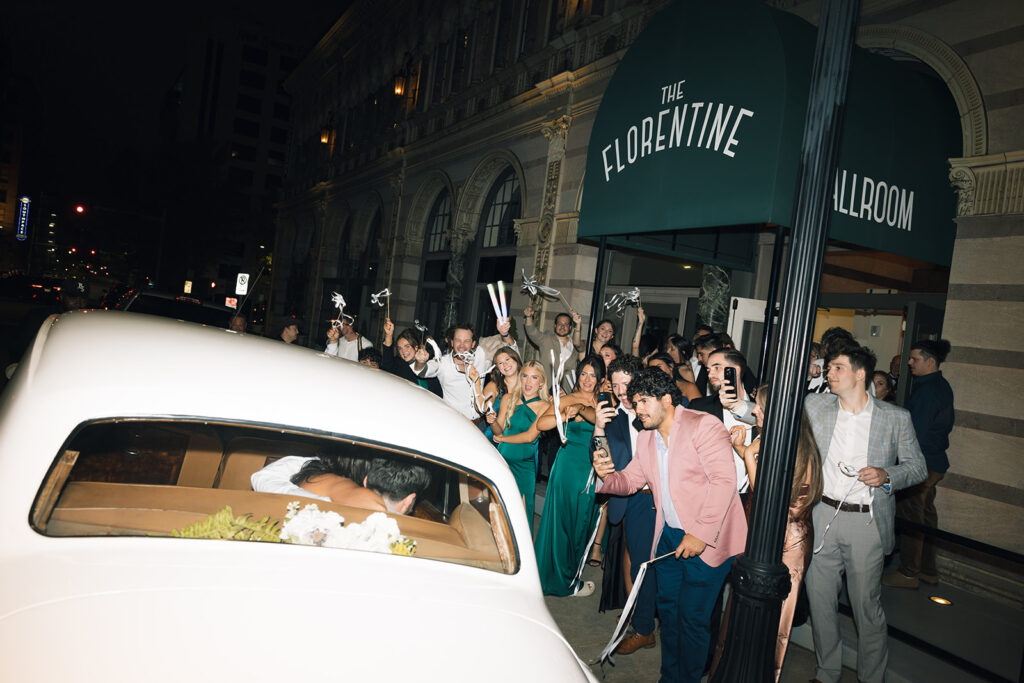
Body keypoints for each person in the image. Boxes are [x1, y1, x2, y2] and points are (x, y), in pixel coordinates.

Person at [593, 368, 747, 683]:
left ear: (666, 399)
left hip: (708, 540)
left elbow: (724, 482)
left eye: (644, 401)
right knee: (671, 615)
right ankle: (670, 677)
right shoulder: (648, 438)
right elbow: (630, 480)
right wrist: (606, 475)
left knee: (691, 619)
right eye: (634, 403)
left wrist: (700, 534)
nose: (638, 409)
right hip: (669, 539)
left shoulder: (703, 426)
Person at [804, 343, 926, 683]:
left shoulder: (895, 417)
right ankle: (827, 672)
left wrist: (888, 475)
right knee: (820, 602)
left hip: (866, 521)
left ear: (861, 374)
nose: (830, 372)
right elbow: (773, 406)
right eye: (829, 367)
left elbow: (918, 468)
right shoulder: (816, 406)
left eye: (838, 367)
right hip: (822, 514)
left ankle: (871, 678)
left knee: (866, 607)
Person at [711, 384, 824, 681]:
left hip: (788, 541)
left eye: (760, 407)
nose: (755, 411)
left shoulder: (800, 450)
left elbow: (769, 500)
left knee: (776, 620)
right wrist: (743, 450)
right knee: (740, 606)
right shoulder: (770, 440)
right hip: (760, 534)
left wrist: (748, 456)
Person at [588, 355, 659, 655]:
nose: (619, 390)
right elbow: (601, 461)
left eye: (625, 383)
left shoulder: (653, 411)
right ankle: (637, 613)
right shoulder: (613, 415)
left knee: (645, 563)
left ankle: (645, 629)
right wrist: (599, 427)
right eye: (614, 384)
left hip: (647, 498)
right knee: (631, 559)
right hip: (623, 498)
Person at [529, 355, 605, 597]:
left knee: (583, 522)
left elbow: (604, 424)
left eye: (593, 375)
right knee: (561, 521)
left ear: (600, 379)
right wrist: (565, 415)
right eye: (583, 373)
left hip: (592, 468)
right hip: (568, 467)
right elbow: (542, 424)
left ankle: (571, 575)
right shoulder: (568, 399)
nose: (587, 379)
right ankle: (562, 581)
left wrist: (585, 409)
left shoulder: (604, 401)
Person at [883, 339, 954, 589]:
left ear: (930, 361)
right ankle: (927, 570)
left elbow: (915, 434)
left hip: (922, 462)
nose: (909, 363)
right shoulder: (939, 385)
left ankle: (909, 572)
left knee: (912, 516)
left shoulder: (928, 390)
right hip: (934, 461)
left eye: (914, 359)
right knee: (926, 516)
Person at [252, 455, 430, 516]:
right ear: (409, 501)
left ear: (366, 480)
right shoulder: (368, 503)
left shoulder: (322, 479)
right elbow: (374, 508)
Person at [490, 360, 551, 530]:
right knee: (498, 508)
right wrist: (493, 421)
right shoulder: (508, 398)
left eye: (534, 377)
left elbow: (530, 436)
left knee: (522, 515)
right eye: (525, 376)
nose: (528, 382)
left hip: (525, 466)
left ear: (541, 382)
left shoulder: (545, 407)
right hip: (502, 461)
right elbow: (498, 430)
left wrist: (502, 439)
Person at [413, 321, 491, 423]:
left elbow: (508, 350)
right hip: (454, 423)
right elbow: (421, 371)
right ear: (452, 342)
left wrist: (505, 335)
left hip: (481, 424)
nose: (462, 345)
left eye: (466, 341)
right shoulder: (442, 363)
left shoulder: (481, 355)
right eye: (458, 340)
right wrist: (420, 362)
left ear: (473, 344)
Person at [523, 305, 582, 393]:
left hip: (568, 393)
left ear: (570, 327)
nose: (562, 327)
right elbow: (532, 332)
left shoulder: (575, 345)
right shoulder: (546, 339)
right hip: (546, 391)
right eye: (559, 324)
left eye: (566, 324)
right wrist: (528, 317)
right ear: (555, 326)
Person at [380, 320, 443, 397]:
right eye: (400, 348)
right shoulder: (398, 364)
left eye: (407, 346)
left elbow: (438, 394)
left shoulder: (428, 364)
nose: (403, 351)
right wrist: (388, 335)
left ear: (416, 347)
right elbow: (387, 363)